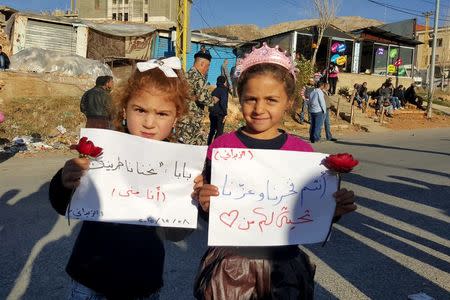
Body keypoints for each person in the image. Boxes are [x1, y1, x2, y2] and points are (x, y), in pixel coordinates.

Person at [192, 43, 356, 299]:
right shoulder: (222, 147)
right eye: (251, 99)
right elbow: (210, 214)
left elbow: (307, 209)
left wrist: (332, 210)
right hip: (231, 267)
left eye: (271, 100)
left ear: (289, 102)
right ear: (239, 96)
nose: (259, 109)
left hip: (285, 266)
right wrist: (204, 202)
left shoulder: (301, 152)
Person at [49, 57, 192, 300]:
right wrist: (65, 181)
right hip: (89, 277)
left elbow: (176, 233)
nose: (149, 122)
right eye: (140, 110)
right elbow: (64, 206)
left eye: (162, 113)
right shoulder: (101, 151)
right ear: (125, 109)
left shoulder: (178, 167)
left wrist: (190, 199)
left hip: (142, 281)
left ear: (176, 118)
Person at [176, 51, 216, 145]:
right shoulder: (198, 78)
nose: (208, 68)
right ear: (202, 64)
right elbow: (203, 98)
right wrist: (213, 100)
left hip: (182, 118)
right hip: (192, 121)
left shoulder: (185, 75)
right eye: (208, 65)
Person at [207, 75, 228, 145]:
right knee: (219, 131)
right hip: (220, 114)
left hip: (212, 114)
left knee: (212, 130)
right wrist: (225, 113)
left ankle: (208, 145)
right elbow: (223, 103)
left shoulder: (215, 90)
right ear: (224, 82)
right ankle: (215, 146)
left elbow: (210, 102)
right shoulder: (223, 90)